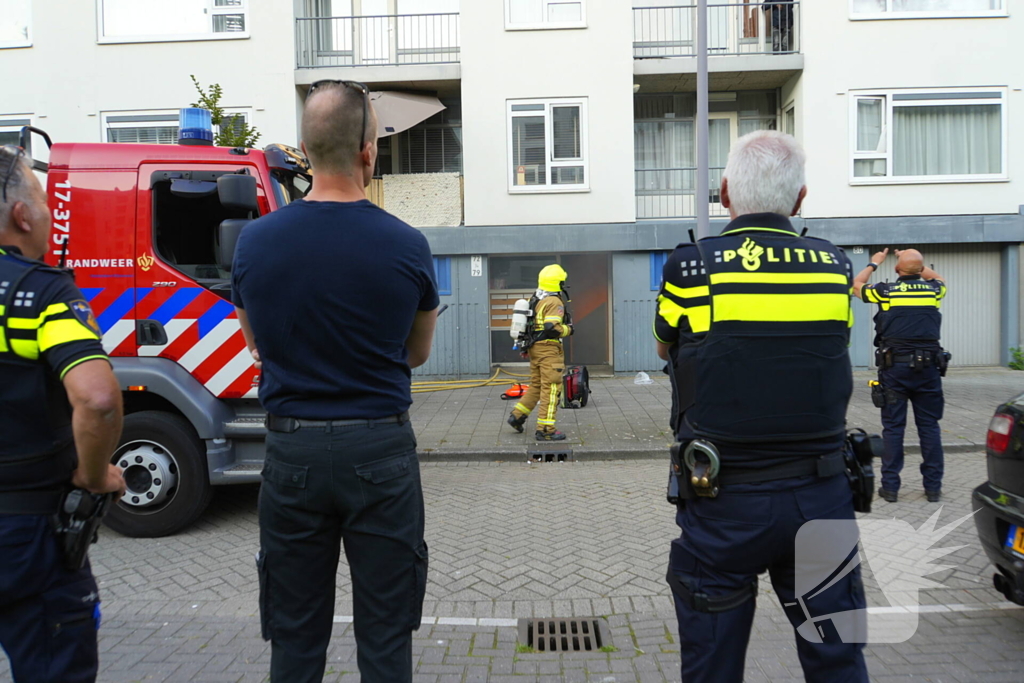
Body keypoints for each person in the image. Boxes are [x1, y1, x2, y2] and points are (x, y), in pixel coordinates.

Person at [232, 81, 439, 683]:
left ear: (304, 149)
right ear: (368, 151)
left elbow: (255, 343)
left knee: (294, 640)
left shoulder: (254, 243)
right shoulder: (407, 245)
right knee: (384, 637)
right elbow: (417, 354)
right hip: (380, 452)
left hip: (291, 453)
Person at [654, 131, 868, 682]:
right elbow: (832, 344)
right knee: (837, 660)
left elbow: (666, 343)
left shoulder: (692, 267)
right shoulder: (834, 267)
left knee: (712, 666)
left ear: (724, 193)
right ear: (799, 200)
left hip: (725, 501)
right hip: (821, 496)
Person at [0, 146, 126, 682]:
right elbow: (97, 399)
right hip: (25, 530)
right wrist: (95, 475)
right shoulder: (40, 294)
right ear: (21, 215)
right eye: (44, 200)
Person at [854, 248, 947, 503]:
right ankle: (933, 489)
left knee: (893, 428)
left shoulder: (886, 291)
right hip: (929, 370)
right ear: (920, 270)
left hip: (895, 370)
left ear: (897, 271)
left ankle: (891, 488)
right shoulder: (934, 291)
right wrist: (911, 261)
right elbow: (938, 278)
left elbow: (856, 285)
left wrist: (875, 263)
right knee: (929, 427)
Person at [507, 264, 573, 441]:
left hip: (535, 348)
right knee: (551, 388)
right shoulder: (554, 302)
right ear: (557, 282)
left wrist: (526, 347)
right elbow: (552, 328)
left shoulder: (536, 298)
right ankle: (545, 429)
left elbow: (531, 327)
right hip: (549, 351)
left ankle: (517, 416)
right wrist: (569, 329)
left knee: (537, 385)